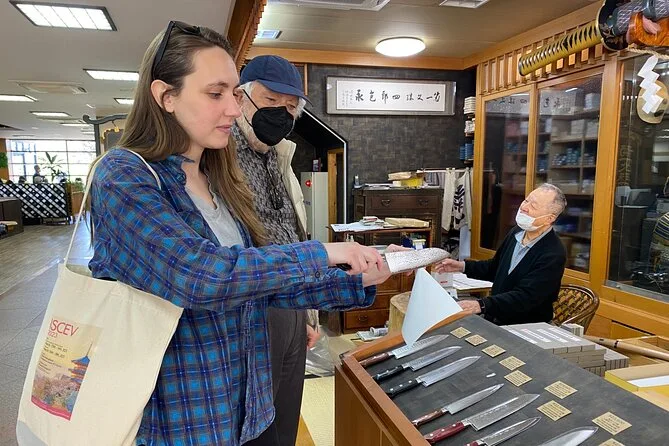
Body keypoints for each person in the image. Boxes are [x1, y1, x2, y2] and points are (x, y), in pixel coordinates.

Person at [88, 21, 393, 446]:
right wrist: (323, 252)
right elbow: (203, 277)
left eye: (233, 94)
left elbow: (257, 287)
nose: (233, 109)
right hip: (181, 414)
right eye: (215, 94)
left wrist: (354, 280)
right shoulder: (124, 176)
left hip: (244, 401)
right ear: (166, 96)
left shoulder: (219, 177)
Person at [231, 55, 315, 446]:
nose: (280, 113)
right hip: (252, 305)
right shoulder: (219, 154)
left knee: (287, 413)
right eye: (270, 101)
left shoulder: (279, 155)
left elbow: (293, 231)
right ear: (241, 98)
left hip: (292, 300)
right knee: (256, 423)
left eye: (290, 106)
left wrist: (308, 312)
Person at [435, 184, 567, 325]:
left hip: (524, 326)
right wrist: (461, 266)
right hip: (495, 318)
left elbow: (525, 297)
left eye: (533, 206)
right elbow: (495, 268)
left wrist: (481, 305)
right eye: (526, 200)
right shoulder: (517, 232)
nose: (524, 207)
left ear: (549, 218)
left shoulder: (553, 253)